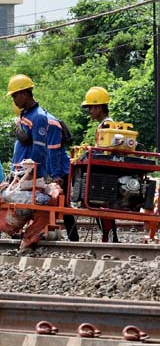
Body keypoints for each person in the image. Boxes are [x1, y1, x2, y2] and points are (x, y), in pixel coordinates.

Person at [81, 86, 118, 242]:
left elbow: (106, 150)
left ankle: (109, 238)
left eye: (91, 108)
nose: (89, 111)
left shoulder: (107, 125)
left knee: (102, 204)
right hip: (103, 168)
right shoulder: (104, 124)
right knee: (99, 205)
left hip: (105, 171)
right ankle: (108, 237)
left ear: (99, 107)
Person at [7, 74, 49, 179]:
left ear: (24, 94)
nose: (14, 101)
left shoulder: (38, 117)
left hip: (29, 176)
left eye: (14, 96)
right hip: (19, 172)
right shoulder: (25, 115)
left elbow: (39, 149)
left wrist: (31, 173)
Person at [47, 113, 79, 242]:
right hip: (62, 171)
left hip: (61, 173)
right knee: (62, 205)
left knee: (63, 206)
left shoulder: (50, 128)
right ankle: (70, 236)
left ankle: (72, 238)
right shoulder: (51, 126)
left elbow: (52, 153)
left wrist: (55, 175)